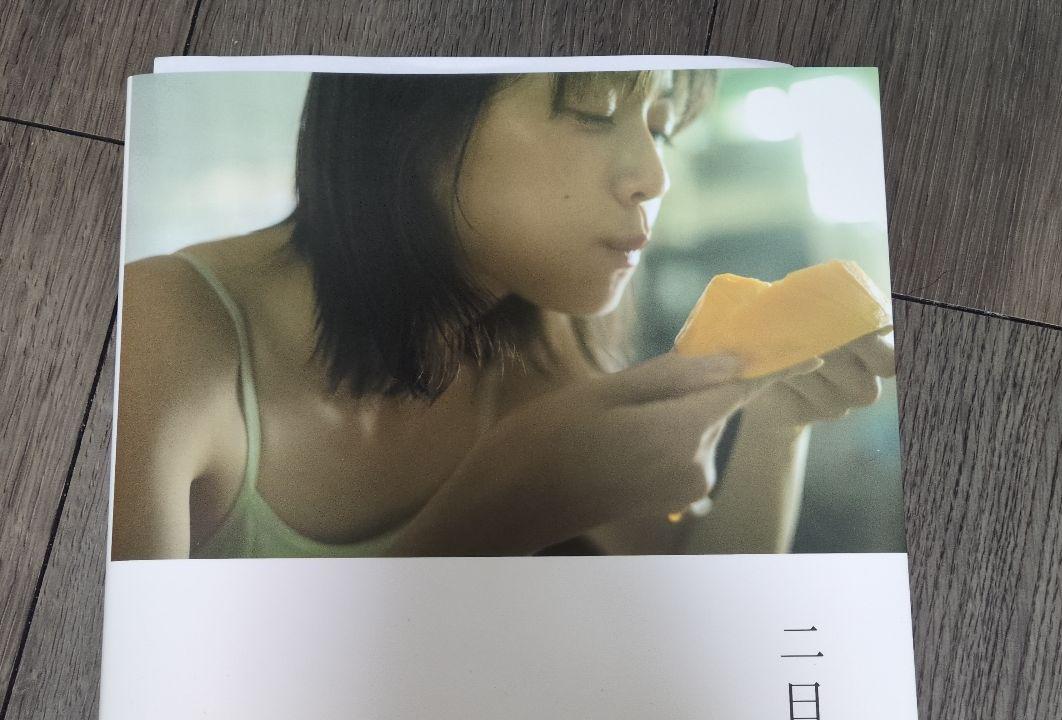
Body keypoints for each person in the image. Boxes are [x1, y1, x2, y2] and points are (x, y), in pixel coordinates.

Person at [111, 69, 893, 560]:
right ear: (414, 124)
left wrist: (777, 424)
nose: (655, 176)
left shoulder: (537, 355)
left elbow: (703, 592)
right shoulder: (165, 329)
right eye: (594, 110)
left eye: (659, 126)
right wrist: (498, 514)